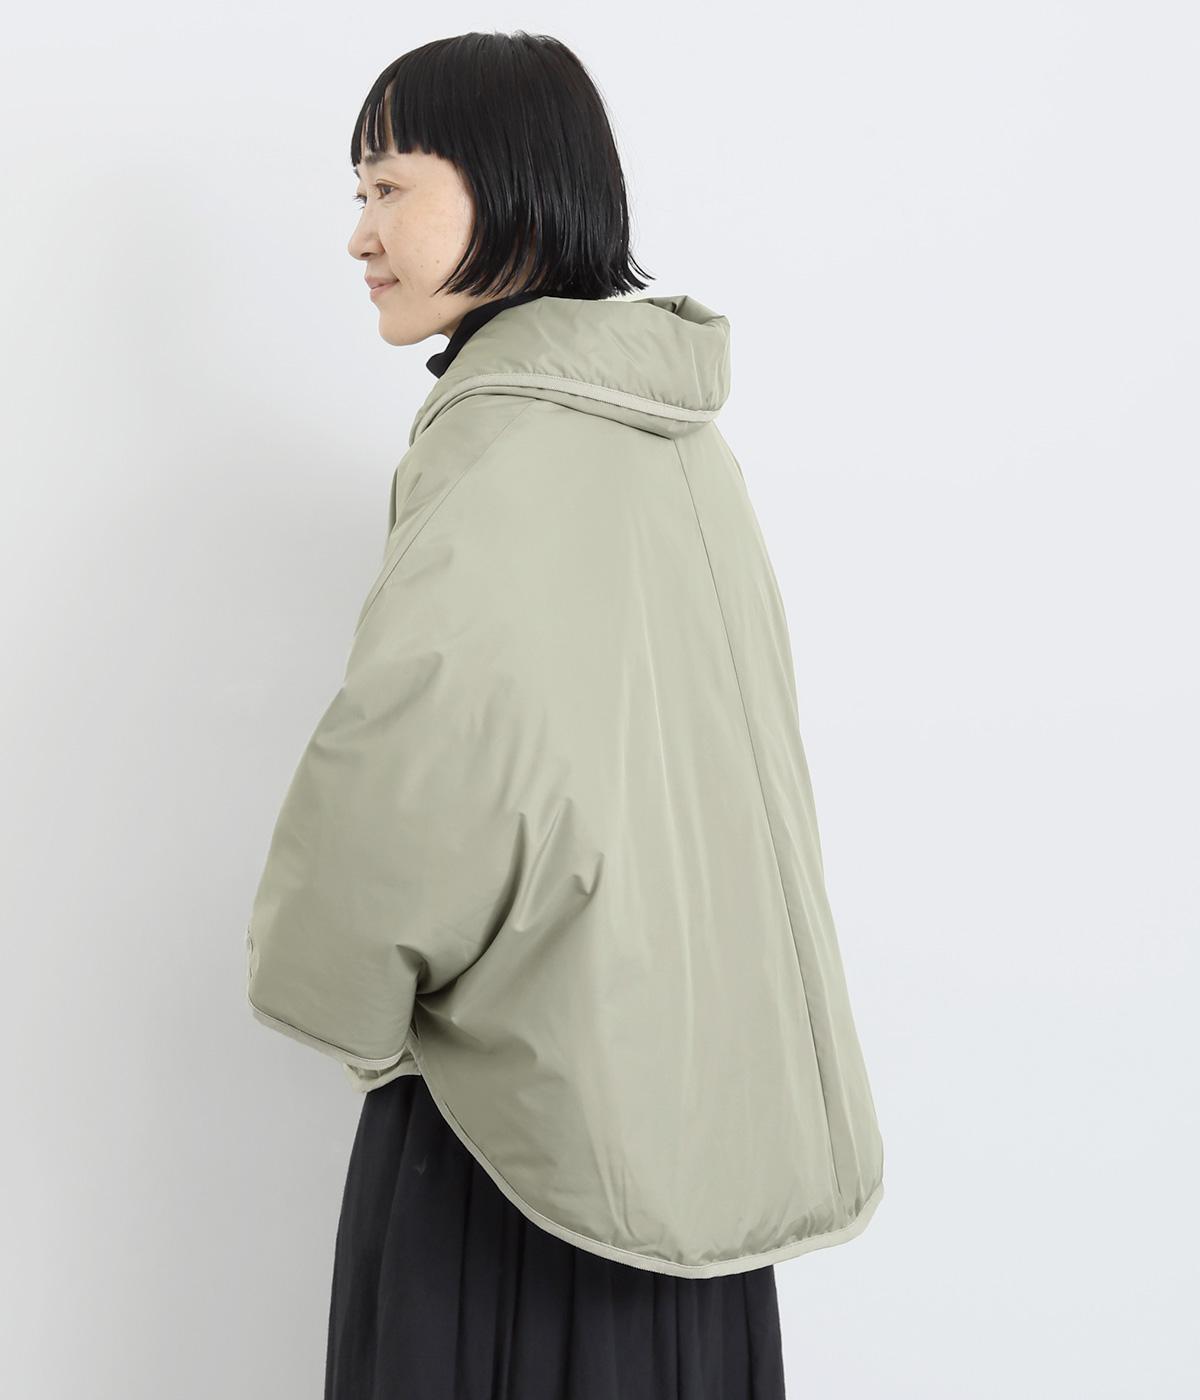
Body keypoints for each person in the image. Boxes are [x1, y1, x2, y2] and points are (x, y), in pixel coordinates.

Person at [245, 28, 884, 1400]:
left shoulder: (502, 439)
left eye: (389, 186)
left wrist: (336, 997)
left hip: (517, 1156)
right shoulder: (685, 447)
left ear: (511, 185)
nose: (360, 234)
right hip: (700, 1144)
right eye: (359, 193)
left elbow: (412, 770)